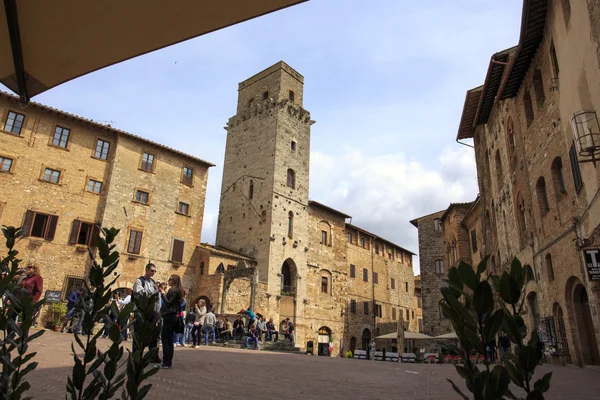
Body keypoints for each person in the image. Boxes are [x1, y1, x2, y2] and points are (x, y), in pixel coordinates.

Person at [132, 263, 160, 362]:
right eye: (152, 271)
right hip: (141, 311)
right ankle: (136, 356)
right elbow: (141, 294)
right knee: (138, 333)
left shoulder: (153, 282)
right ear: (146, 270)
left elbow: (156, 298)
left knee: (153, 334)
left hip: (151, 312)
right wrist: (154, 291)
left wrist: (157, 310)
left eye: (155, 271)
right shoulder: (139, 281)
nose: (153, 273)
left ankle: (153, 356)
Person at [157, 274, 183, 369]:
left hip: (170, 316)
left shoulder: (173, 291)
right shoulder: (177, 291)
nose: (168, 280)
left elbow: (168, 303)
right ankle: (168, 362)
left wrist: (163, 293)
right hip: (173, 316)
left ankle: (166, 362)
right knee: (169, 339)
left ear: (174, 281)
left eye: (170, 279)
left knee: (165, 338)